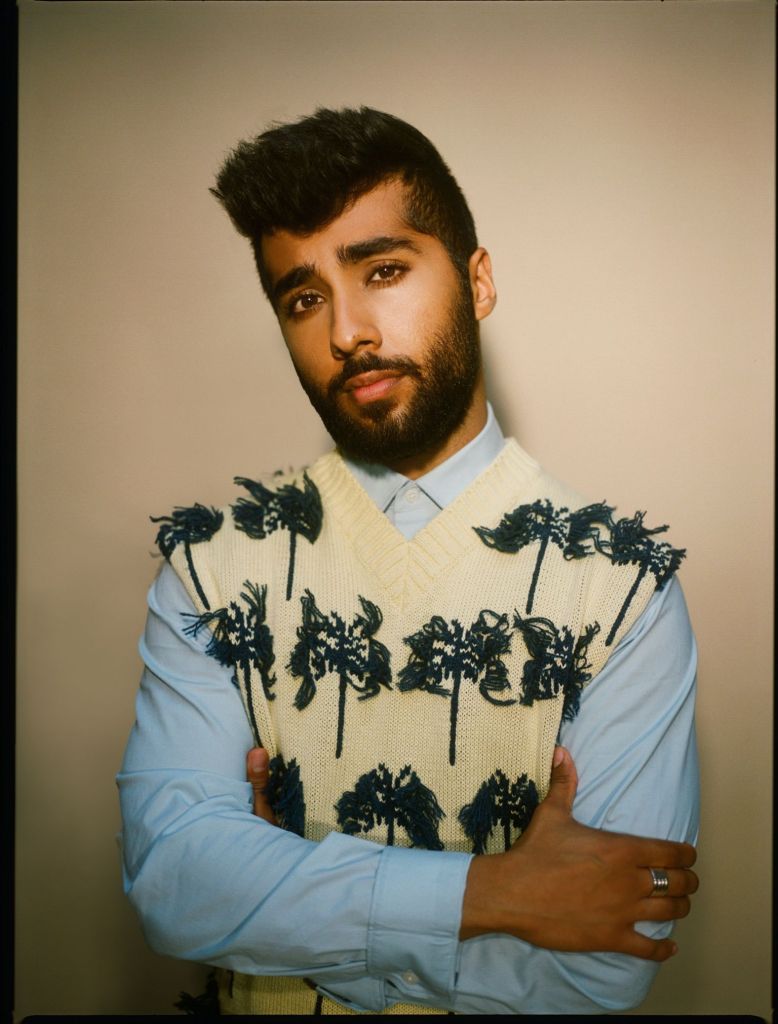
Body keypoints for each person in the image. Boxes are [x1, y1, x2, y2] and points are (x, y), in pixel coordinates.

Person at [118, 107, 699, 1016]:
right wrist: (497, 894)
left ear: (478, 281)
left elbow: (600, 970)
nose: (346, 332)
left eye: (383, 271)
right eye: (303, 298)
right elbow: (174, 885)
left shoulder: (622, 587)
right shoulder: (210, 569)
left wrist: (281, 906)